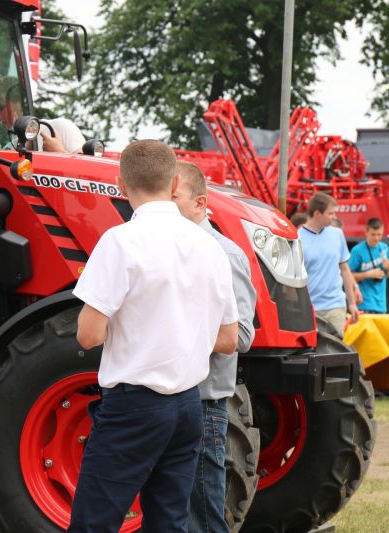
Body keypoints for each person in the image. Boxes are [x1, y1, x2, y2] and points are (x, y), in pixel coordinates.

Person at [68, 140, 239, 533]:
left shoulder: (119, 241)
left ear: (120, 186)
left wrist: (146, 329)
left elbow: (88, 335)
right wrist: (179, 331)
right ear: (175, 181)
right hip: (188, 407)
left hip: (134, 404)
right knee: (169, 522)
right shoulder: (210, 246)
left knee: (94, 521)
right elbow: (228, 338)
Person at [172, 161, 256, 533]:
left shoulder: (226, 254)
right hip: (169, 397)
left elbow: (242, 335)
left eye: (171, 197)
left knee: (203, 510)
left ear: (199, 203)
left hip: (204, 401)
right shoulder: (165, 249)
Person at [298, 192, 359, 335]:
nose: (335, 217)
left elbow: (345, 270)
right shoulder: (297, 238)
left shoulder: (337, 234)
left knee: (335, 354)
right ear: (318, 213)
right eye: (331, 213)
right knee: (313, 354)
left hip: (336, 306)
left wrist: (352, 304)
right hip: (309, 310)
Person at [349, 217, 389, 314]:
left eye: (379, 234)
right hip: (364, 304)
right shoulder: (357, 251)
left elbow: (387, 275)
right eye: (373, 234)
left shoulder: (384, 248)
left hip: (381, 305)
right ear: (366, 232)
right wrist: (367, 274)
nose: (376, 238)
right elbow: (348, 276)